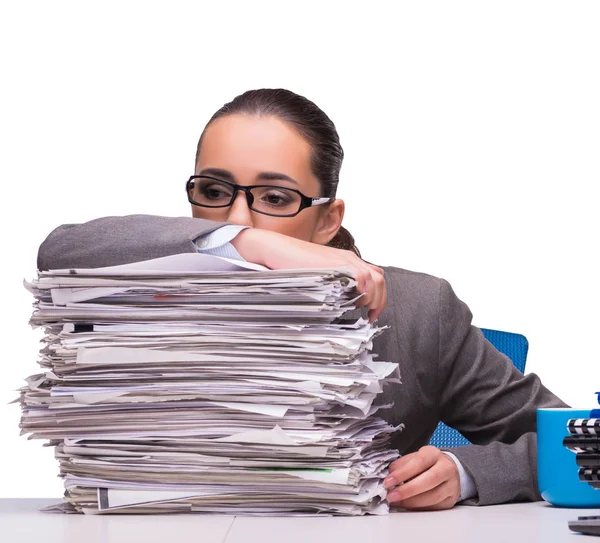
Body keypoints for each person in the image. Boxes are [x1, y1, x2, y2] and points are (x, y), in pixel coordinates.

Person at [37, 88, 567, 511]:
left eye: (276, 198)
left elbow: (578, 442)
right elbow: (60, 249)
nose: (236, 216)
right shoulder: (144, 277)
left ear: (327, 220)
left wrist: (467, 472)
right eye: (215, 192)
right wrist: (253, 241)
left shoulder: (421, 309)